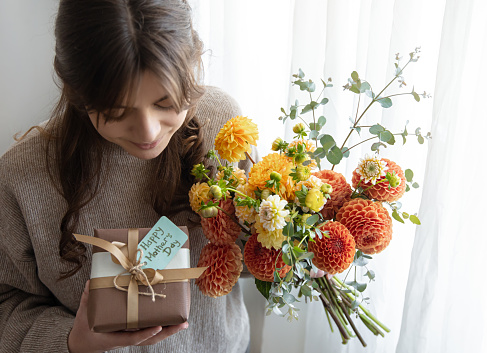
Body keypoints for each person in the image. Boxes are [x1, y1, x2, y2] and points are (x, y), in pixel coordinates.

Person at [0, 1, 252, 352]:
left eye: (166, 103)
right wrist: (70, 342)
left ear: (193, 66)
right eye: (117, 111)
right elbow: (6, 303)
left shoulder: (223, 126)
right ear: (78, 92)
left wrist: (292, 248)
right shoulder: (22, 177)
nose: (148, 131)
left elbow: (244, 252)